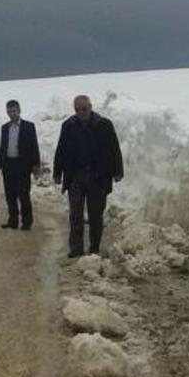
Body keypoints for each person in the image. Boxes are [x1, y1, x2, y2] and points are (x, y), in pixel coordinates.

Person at [53, 95, 123, 258]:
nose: (81, 112)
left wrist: (118, 171)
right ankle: (76, 248)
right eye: (77, 110)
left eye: (84, 109)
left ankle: (94, 248)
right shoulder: (68, 126)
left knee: (95, 215)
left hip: (97, 176)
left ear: (90, 107)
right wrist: (57, 172)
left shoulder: (103, 125)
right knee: (75, 214)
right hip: (75, 176)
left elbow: (114, 149)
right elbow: (61, 150)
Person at [0, 99, 40, 230]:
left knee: (24, 195)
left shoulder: (28, 126)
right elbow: (2, 147)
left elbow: (34, 146)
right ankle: (13, 221)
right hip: (8, 165)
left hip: (23, 166)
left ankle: (27, 222)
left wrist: (36, 164)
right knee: (10, 195)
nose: (12, 114)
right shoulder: (5, 128)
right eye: (9, 111)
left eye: (14, 111)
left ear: (19, 111)